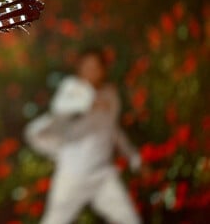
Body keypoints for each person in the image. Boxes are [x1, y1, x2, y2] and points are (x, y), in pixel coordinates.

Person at [24, 47, 141, 224]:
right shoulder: (72, 87)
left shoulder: (110, 95)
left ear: (103, 70)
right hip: (72, 174)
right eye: (87, 67)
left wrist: (134, 158)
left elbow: (112, 130)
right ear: (80, 68)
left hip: (102, 174)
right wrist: (88, 102)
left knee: (129, 220)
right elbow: (59, 108)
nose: (91, 72)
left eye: (96, 67)